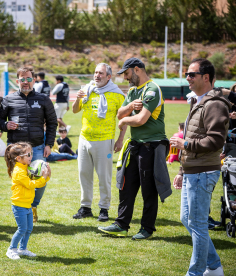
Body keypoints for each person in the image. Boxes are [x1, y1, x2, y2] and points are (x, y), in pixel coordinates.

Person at [98, 58, 171, 240]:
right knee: (126, 185)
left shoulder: (152, 89)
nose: (126, 78)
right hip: (135, 145)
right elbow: (119, 113)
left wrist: (124, 121)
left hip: (151, 146)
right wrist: (130, 107)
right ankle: (121, 224)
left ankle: (146, 228)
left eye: (127, 73)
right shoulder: (133, 91)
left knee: (149, 189)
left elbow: (140, 120)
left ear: (137, 69)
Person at [170, 58, 229, 276]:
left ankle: (195, 273)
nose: (187, 78)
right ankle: (214, 267)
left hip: (203, 173)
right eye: (187, 74)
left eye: (191, 74)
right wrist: (181, 170)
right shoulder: (199, 101)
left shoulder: (215, 104)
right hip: (192, 171)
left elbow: (214, 141)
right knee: (188, 220)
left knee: (198, 224)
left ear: (206, 77)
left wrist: (184, 144)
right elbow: (193, 135)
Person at [0, 67, 57, 223]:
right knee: (20, 181)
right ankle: (23, 211)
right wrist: (5, 125)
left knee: (44, 176)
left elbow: (52, 123)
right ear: (17, 81)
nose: (25, 82)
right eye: (22, 79)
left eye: (29, 79)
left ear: (34, 80)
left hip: (37, 147)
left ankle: (33, 205)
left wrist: (49, 144)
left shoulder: (43, 99)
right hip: (16, 151)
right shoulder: (8, 99)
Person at [72, 63, 126, 222]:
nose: (97, 76)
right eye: (95, 72)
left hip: (104, 140)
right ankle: (85, 207)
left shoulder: (117, 95)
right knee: (84, 174)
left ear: (109, 77)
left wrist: (120, 139)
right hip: (84, 139)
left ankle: (104, 208)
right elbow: (75, 110)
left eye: (101, 73)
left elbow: (123, 119)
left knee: (104, 176)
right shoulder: (87, 89)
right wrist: (77, 98)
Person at [4, 142, 51, 260]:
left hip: (27, 204)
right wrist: (43, 179)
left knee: (29, 228)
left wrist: (47, 176)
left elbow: (36, 179)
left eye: (31, 154)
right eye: (28, 154)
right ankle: (11, 249)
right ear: (19, 158)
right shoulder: (19, 171)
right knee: (22, 229)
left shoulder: (27, 168)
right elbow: (30, 184)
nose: (31, 157)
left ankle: (22, 249)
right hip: (19, 205)